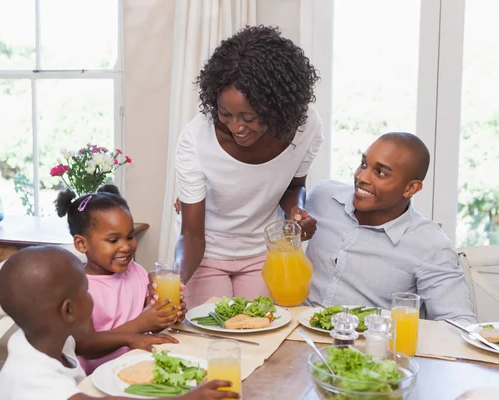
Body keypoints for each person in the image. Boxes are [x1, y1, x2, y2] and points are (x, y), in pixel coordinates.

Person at [173, 25, 324, 308]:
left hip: (264, 251)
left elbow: (293, 186)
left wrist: (296, 212)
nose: (237, 127)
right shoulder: (196, 140)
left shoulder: (306, 127)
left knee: (264, 332)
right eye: (225, 113)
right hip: (205, 252)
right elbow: (191, 234)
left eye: (250, 117)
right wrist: (174, 280)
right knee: (210, 335)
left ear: (278, 108)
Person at [0, 246, 238, 400]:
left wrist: (134, 332)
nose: (91, 295)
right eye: (86, 290)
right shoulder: (35, 380)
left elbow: (79, 345)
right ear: (68, 311)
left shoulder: (39, 338)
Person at [305, 132, 477, 324]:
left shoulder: (431, 246)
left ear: (410, 189)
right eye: (364, 164)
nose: (362, 177)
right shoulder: (323, 197)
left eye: (380, 173)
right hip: (296, 337)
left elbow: (458, 324)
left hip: (368, 348)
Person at [55, 184, 187, 374]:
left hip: (141, 367)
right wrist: (140, 325)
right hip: (101, 379)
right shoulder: (78, 288)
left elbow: (152, 326)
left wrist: (167, 315)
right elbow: (84, 345)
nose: (126, 247)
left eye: (130, 236)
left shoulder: (137, 272)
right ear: (82, 244)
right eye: (113, 240)